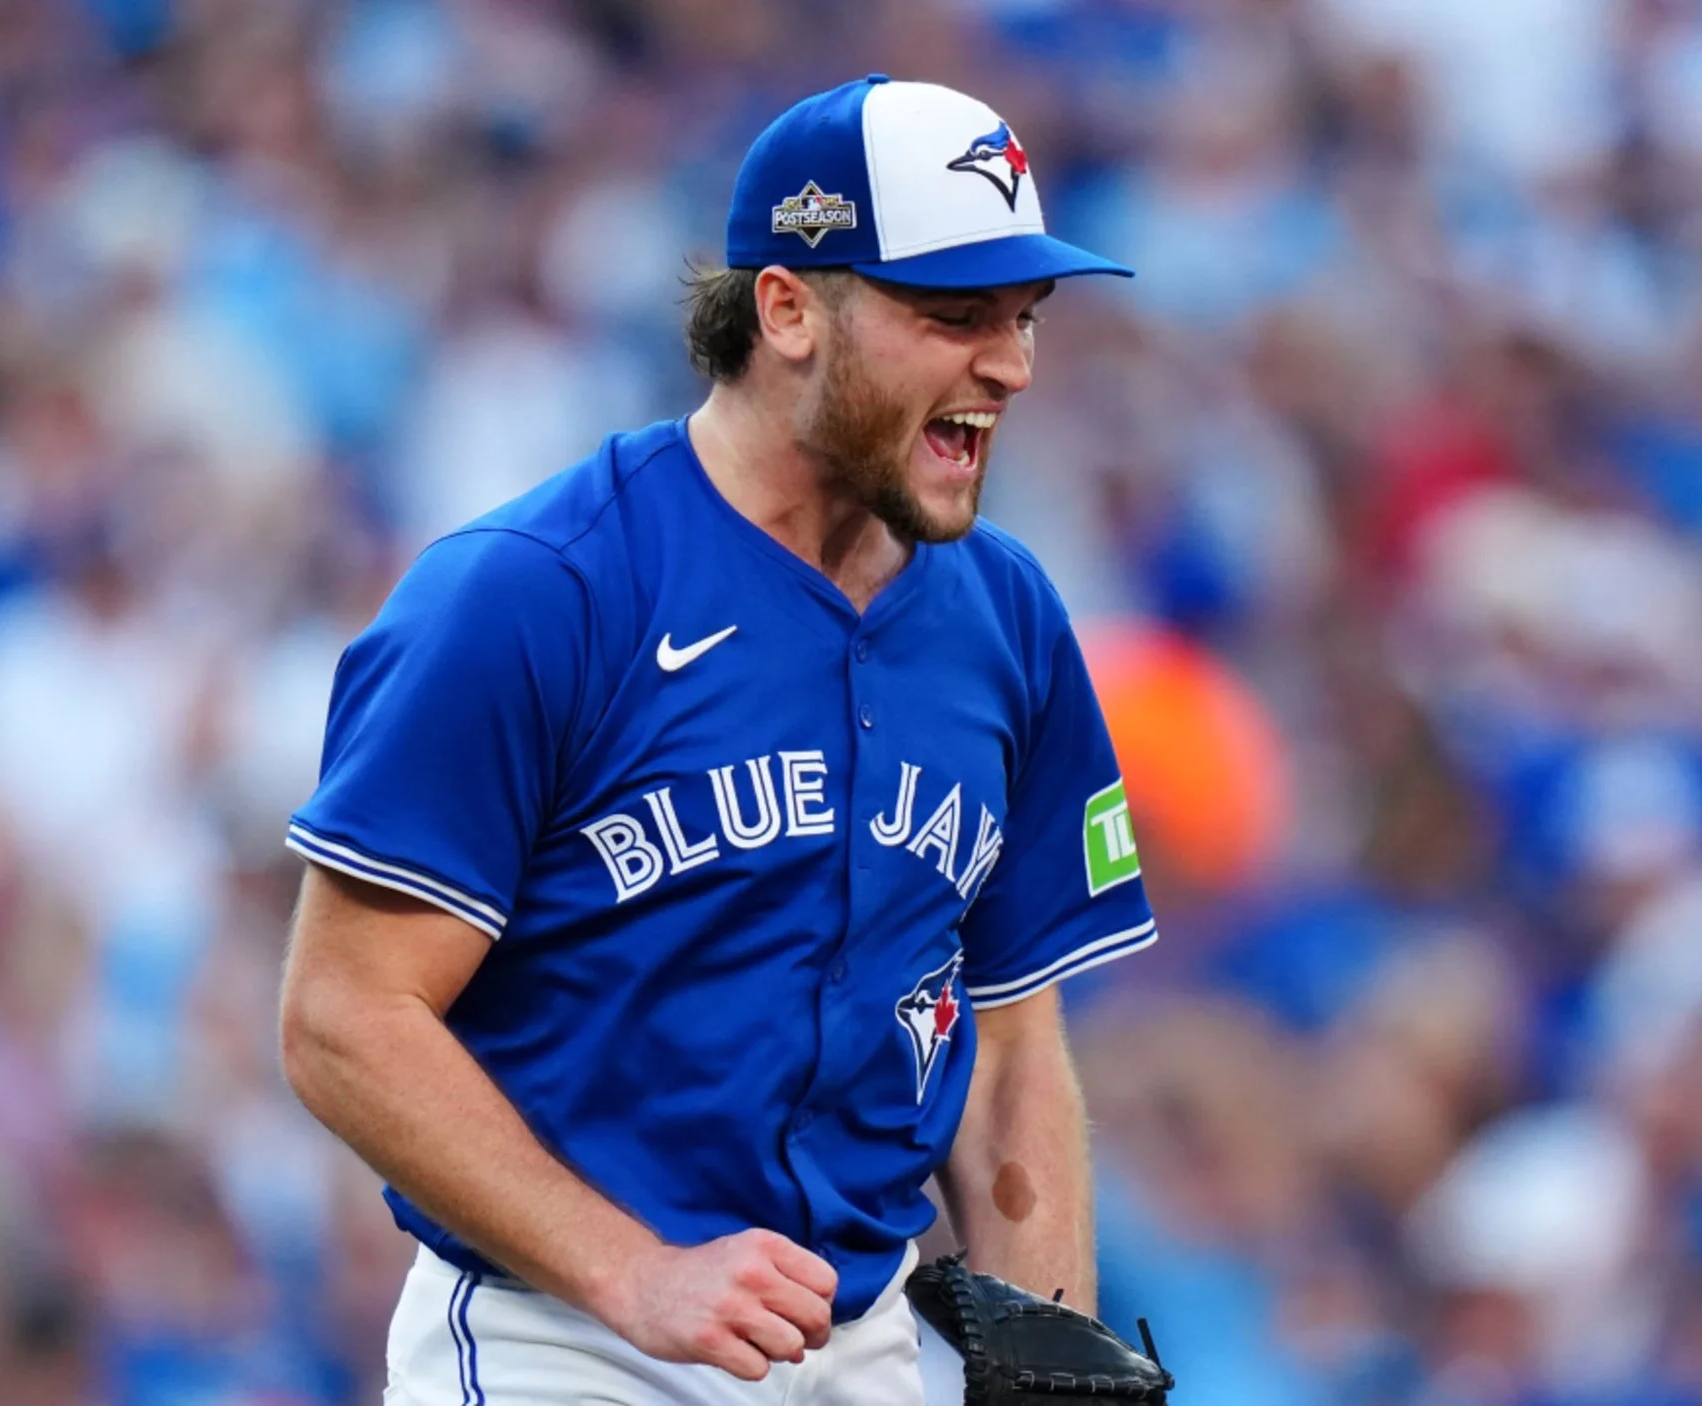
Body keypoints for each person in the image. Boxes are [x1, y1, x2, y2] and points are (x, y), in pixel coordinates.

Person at [275, 74, 1155, 1405]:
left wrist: (1044, 1348)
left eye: (1023, 319)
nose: (1012, 365)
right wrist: (631, 1270)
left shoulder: (1006, 615)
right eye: (955, 315)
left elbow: (1013, 1034)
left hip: (860, 1342)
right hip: (561, 1338)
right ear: (789, 307)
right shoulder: (541, 591)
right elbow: (343, 1012)